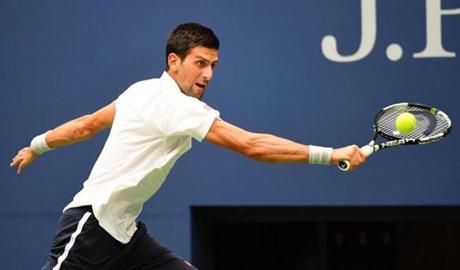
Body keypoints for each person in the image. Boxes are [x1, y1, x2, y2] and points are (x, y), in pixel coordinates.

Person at [10, 23, 366, 270]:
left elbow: (86, 125)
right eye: (200, 63)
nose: (208, 73)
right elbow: (252, 145)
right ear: (173, 61)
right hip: (92, 225)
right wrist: (329, 154)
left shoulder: (141, 90)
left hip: (125, 233)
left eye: (213, 65)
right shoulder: (176, 105)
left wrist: (37, 146)